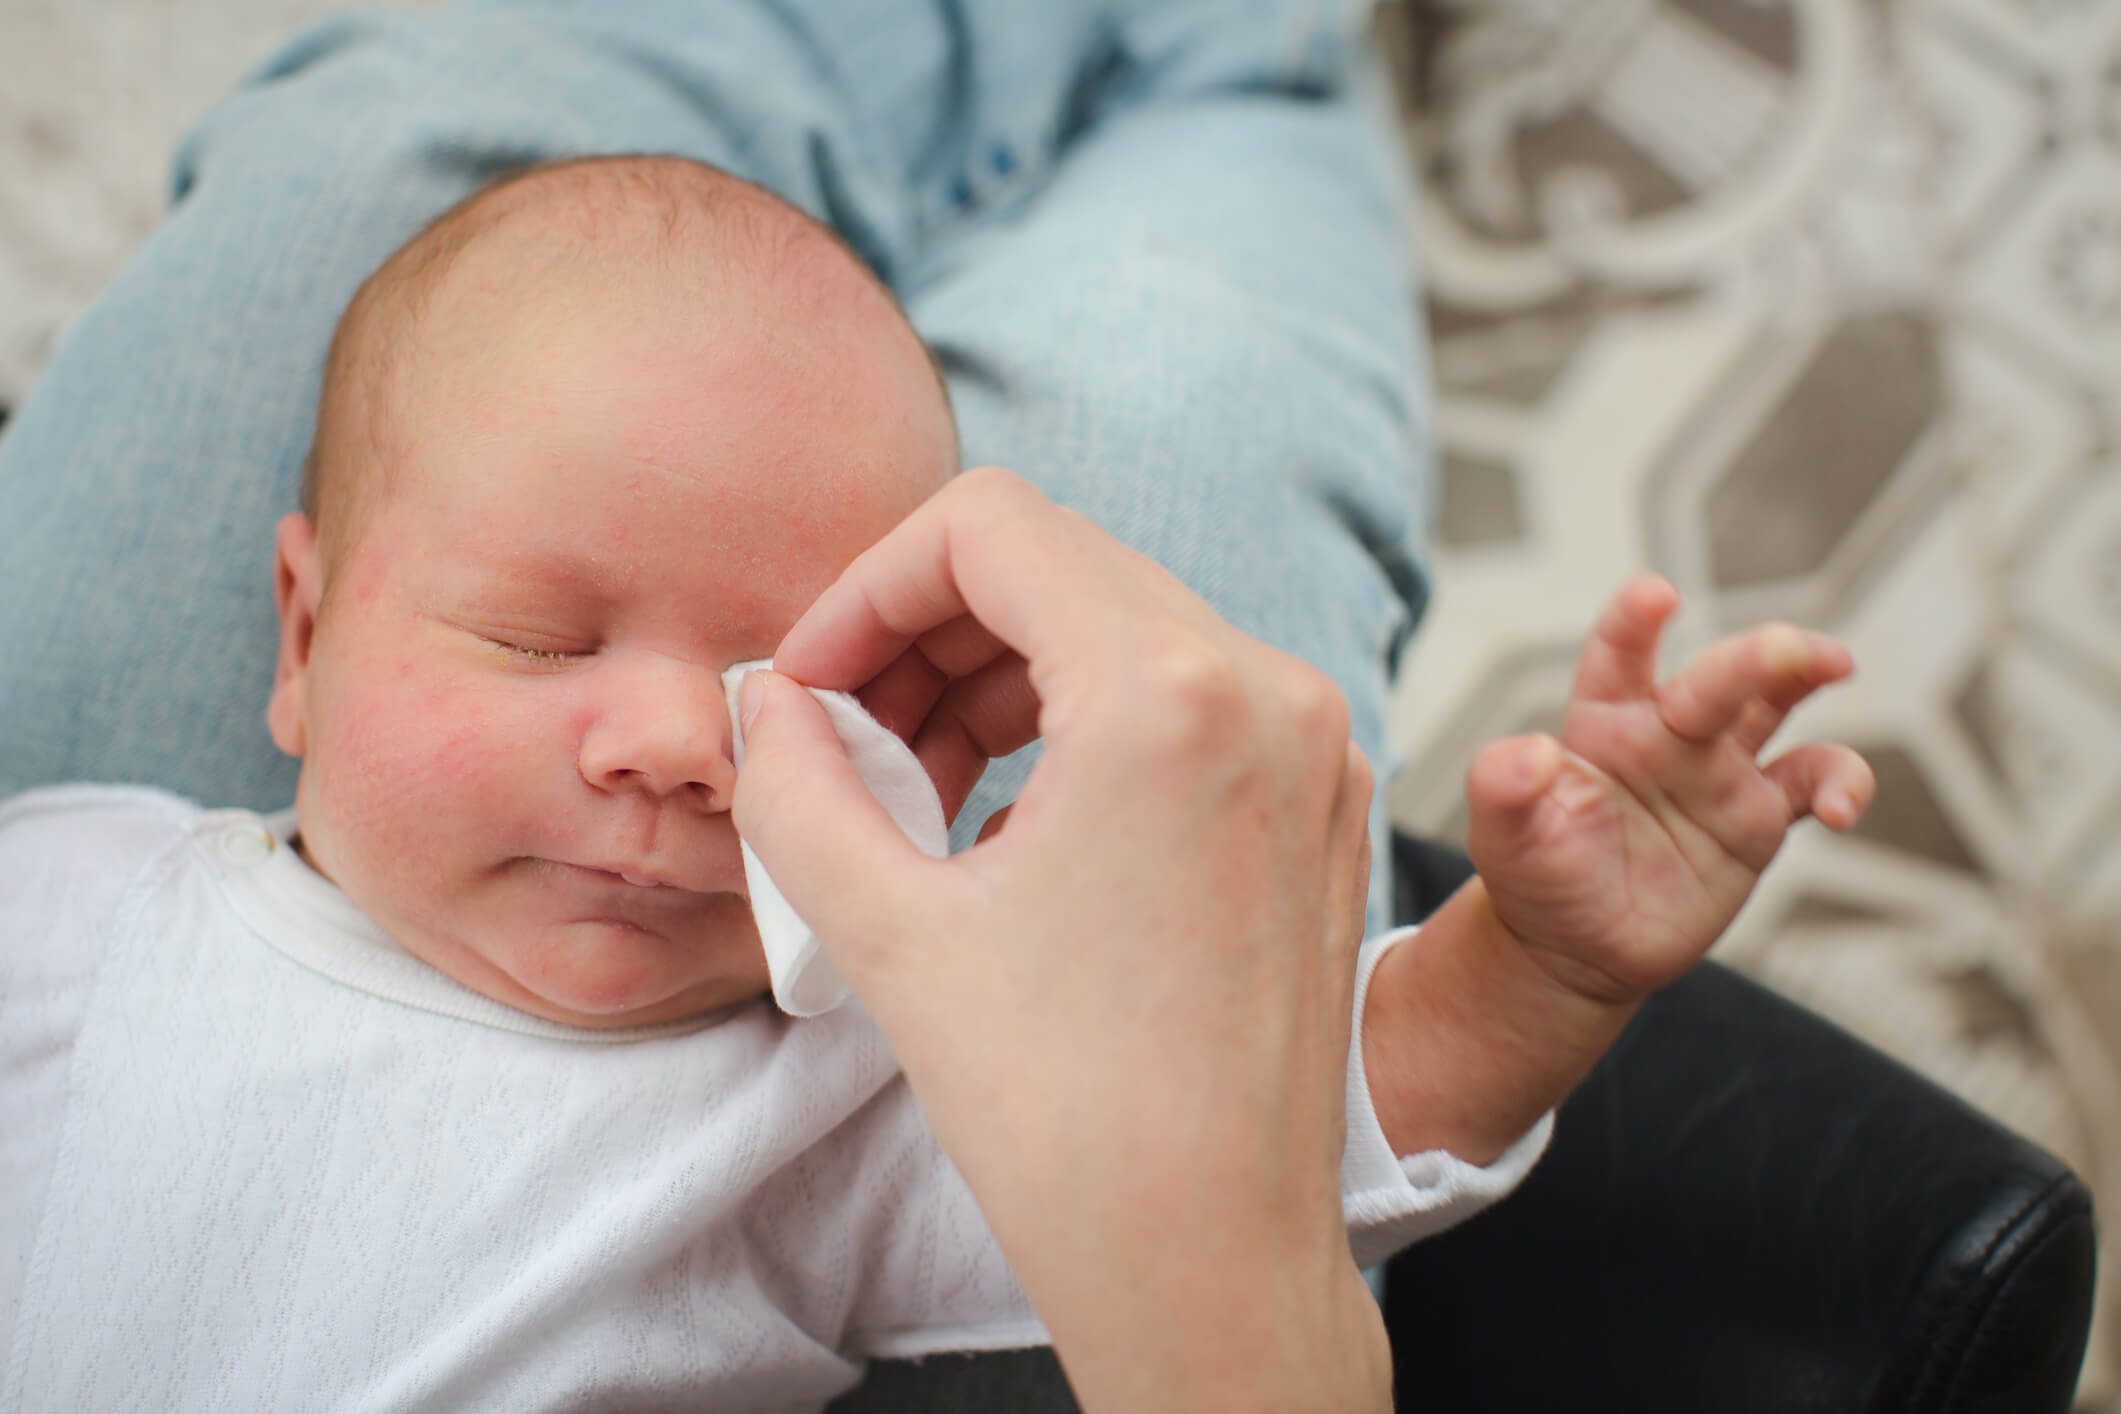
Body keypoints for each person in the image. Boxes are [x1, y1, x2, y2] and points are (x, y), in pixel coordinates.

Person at [0, 150, 1873, 1411]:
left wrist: (1530, 970)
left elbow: (1257, 1128)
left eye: (779, 680)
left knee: (1213, 248)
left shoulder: (816, 1100)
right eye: (542, 640)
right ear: (303, 636)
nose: (670, 745)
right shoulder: (84, 897)